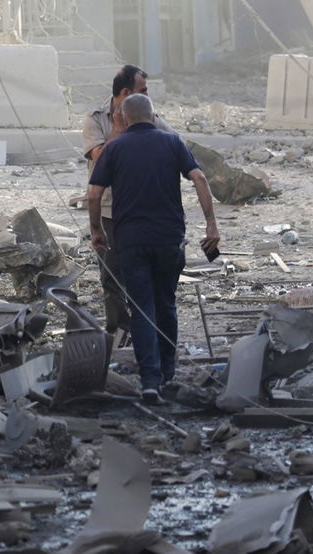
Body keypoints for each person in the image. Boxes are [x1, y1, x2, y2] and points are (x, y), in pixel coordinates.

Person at [86, 94, 218, 403]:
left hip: (131, 240)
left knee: (142, 308)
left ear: (126, 118)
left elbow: (94, 194)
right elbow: (198, 177)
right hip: (169, 238)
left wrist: (96, 230)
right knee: (166, 304)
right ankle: (168, 372)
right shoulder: (172, 142)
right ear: (153, 115)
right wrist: (211, 223)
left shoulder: (115, 147)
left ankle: (150, 382)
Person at [81, 65, 169, 336]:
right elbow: (100, 157)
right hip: (109, 208)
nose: (146, 95)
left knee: (143, 272)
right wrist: (119, 130)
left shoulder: (147, 114)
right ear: (125, 92)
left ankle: (145, 328)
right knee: (112, 275)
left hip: (141, 208)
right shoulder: (96, 120)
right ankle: (118, 329)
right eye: (142, 91)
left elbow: (173, 142)